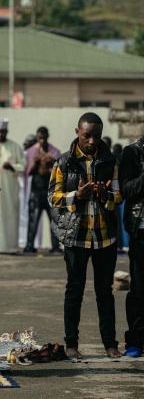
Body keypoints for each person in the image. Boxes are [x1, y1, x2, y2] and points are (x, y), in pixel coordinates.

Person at [48, 112, 121, 359]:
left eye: (96, 136)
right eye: (86, 135)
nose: (91, 141)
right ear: (77, 132)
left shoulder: (111, 161)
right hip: (76, 237)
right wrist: (76, 196)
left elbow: (119, 196)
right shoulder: (64, 162)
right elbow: (53, 197)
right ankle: (71, 345)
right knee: (74, 291)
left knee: (105, 292)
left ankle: (110, 344)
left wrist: (104, 196)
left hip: (105, 239)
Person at [119, 134, 144, 357]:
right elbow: (127, 190)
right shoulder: (132, 152)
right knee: (139, 288)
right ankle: (135, 341)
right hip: (141, 230)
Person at [0, 119, 26, 254]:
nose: (0, 135)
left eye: (3, 132)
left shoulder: (15, 147)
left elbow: (23, 166)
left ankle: (10, 247)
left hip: (10, 190)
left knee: (10, 216)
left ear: (6, 132)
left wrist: (11, 166)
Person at [25, 126, 61, 253]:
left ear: (47, 137)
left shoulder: (55, 151)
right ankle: (29, 246)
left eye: (44, 138)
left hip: (50, 191)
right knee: (33, 219)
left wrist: (50, 163)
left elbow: (59, 172)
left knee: (54, 219)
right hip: (36, 190)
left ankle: (55, 247)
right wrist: (36, 162)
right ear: (37, 137)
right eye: (40, 138)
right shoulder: (31, 152)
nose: (42, 141)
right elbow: (28, 172)